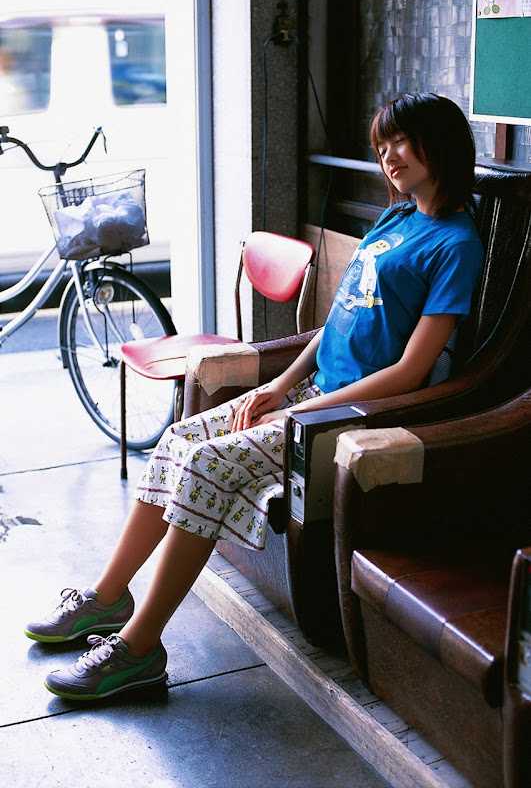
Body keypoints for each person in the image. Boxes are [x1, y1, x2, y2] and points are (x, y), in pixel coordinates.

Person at [25, 92, 485, 700]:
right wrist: (279, 384)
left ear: (441, 145)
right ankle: (108, 597)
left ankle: (139, 650)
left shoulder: (456, 244)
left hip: (353, 418)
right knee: (179, 438)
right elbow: (339, 321)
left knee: (206, 464)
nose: (388, 156)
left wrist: (308, 410)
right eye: (382, 145)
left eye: (401, 140)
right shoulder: (395, 219)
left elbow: (410, 371)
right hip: (314, 395)